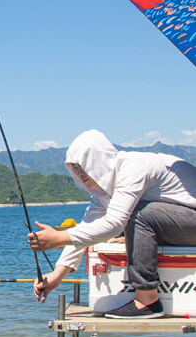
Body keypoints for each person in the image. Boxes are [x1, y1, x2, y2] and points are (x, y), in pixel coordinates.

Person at [27, 129, 196, 318]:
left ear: (98, 161)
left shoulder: (132, 168)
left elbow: (115, 223)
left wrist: (59, 238)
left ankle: (147, 300)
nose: (80, 174)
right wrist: (57, 274)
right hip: (181, 225)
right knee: (137, 215)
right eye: (75, 169)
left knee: (139, 214)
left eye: (83, 167)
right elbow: (88, 224)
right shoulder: (104, 193)